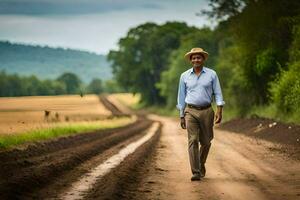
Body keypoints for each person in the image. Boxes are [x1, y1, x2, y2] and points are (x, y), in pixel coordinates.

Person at [177, 47, 225, 181]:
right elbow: (181, 96)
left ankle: (200, 163)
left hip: (207, 110)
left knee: (206, 141)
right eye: (193, 58)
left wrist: (219, 110)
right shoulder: (184, 76)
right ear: (190, 60)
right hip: (190, 111)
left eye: (198, 57)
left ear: (203, 59)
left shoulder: (212, 74)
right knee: (193, 140)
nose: (196, 60)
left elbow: (218, 93)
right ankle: (196, 172)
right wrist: (181, 115)